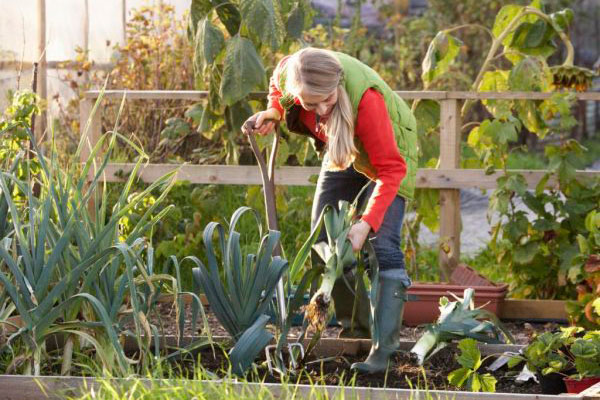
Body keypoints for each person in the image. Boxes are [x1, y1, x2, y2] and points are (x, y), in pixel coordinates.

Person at [242, 47, 418, 373]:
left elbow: (392, 170)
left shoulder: (366, 103)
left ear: (337, 83)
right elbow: (278, 88)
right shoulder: (290, 72)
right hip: (342, 143)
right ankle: (357, 332)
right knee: (324, 238)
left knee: (383, 245)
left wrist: (366, 223)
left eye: (327, 99)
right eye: (311, 104)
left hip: (389, 150)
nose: (321, 108)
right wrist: (272, 112)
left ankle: (383, 353)